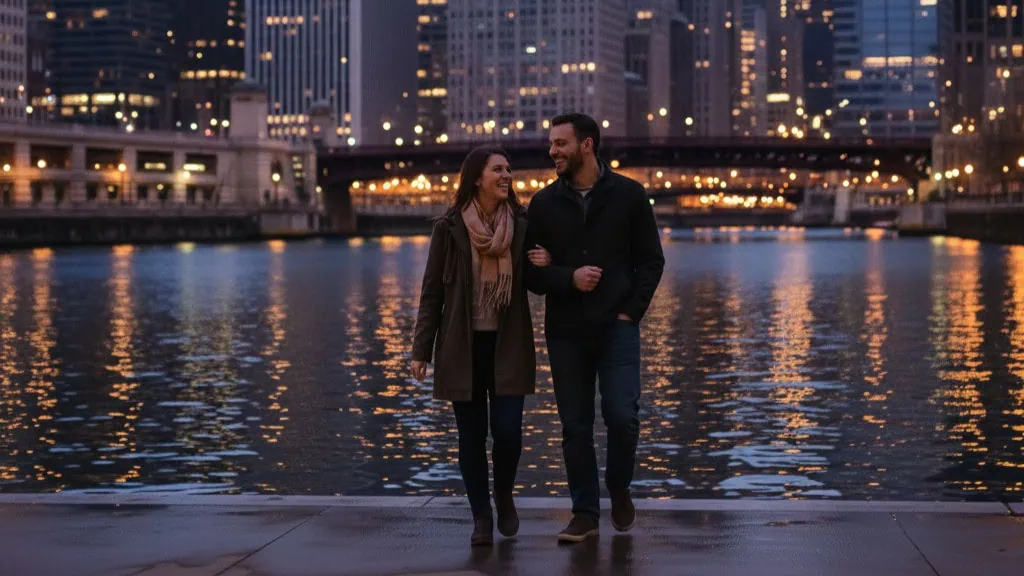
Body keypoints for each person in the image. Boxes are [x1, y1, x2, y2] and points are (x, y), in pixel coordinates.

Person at [525, 113, 665, 543]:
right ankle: (584, 513)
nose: (552, 151)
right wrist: (568, 277)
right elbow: (530, 274)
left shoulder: (630, 195)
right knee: (575, 426)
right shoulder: (544, 204)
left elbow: (651, 261)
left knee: (623, 416)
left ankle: (619, 487)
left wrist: (630, 312)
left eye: (561, 143)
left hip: (617, 326)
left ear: (587, 145)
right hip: (566, 329)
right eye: (551, 144)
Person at [411, 146, 551, 546]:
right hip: (462, 346)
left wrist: (547, 261)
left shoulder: (522, 225)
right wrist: (421, 350)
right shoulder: (449, 228)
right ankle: (481, 516)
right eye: (498, 170)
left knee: (507, 433)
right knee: (471, 437)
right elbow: (432, 293)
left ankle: (504, 494)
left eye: (509, 169)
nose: (507, 175)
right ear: (477, 178)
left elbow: (538, 282)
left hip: (508, 346)